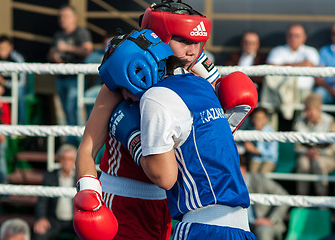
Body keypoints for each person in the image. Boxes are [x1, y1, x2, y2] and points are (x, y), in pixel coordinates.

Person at [73, 1, 225, 239]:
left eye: (196, 42)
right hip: (121, 201)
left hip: (168, 205)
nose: (192, 51)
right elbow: (87, 148)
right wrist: (89, 190)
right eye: (183, 41)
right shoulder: (123, 77)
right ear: (159, 36)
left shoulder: (195, 79)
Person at [47, 5, 93, 135]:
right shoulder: (58, 34)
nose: (62, 19)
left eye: (66, 16)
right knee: (64, 111)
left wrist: (67, 48)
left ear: (74, 18)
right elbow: (51, 54)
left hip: (75, 79)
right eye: (60, 16)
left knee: (74, 109)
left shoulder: (81, 32)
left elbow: (87, 50)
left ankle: (77, 142)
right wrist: (54, 56)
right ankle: (70, 141)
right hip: (61, 78)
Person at [262, 24, 320, 125]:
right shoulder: (278, 50)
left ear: (304, 37)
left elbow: (310, 65)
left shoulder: (310, 51)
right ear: (286, 36)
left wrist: (284, 65)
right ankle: (270, 135)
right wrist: (300, 64)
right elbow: (271, 67)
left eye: (297, 36)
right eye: (290, 35)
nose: (293, 39)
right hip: (279, 92)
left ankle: (298, 133)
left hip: (303, 92)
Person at [293, 93, 335, 196]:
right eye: (307, 110)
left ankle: (322, 200)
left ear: (319, 110)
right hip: (305, 155)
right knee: (302, 163)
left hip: (327, 157)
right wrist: (307, 152)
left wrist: (321, 152)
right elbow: (296, 145)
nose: (309, 113)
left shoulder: (330, 121)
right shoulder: (299, 122)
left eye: (312, 110)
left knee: (318, 163)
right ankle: (301, 199)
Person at [33, 144, 77, 240]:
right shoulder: (50, 175)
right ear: (59, 159)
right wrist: (41, 218)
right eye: (63, 158)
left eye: (70, 159)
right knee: (39, 235)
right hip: (54, 220)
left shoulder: (80, 177)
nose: (66, 162)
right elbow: (42, 200)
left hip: (76, 220)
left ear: (74, 160)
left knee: (90, 235)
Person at [240, 156, 289, 240]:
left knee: (263, 231)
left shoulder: (259, 180)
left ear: (243, 168)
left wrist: (271, 219)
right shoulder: (229, 185)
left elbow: (284, 196)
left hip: (267, 225)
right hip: (243, 226)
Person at [314, 21, 335, 132]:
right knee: (317, 97)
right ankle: (320, 138)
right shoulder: (324, 51)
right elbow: (318, 77)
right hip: (327, 91)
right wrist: (331, 89)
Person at [0, 34, 26, 124]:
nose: (1, 52)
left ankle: (20, 127)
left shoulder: (17, 59)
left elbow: (21, 82)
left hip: (13, 87)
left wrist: (4, 82)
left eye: (4, 49)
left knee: (19, 92)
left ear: (10, 47)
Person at [244, 107, 278, 173]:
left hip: (269, 160)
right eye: (256, 118)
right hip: (254, 159)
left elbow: (272, 154)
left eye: (261, 118)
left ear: (266, 119)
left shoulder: (271, 133)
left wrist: (255, 151)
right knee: (252, 172)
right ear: (252, 119)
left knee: (262, 174)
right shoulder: (249, 131)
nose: (258, 121)